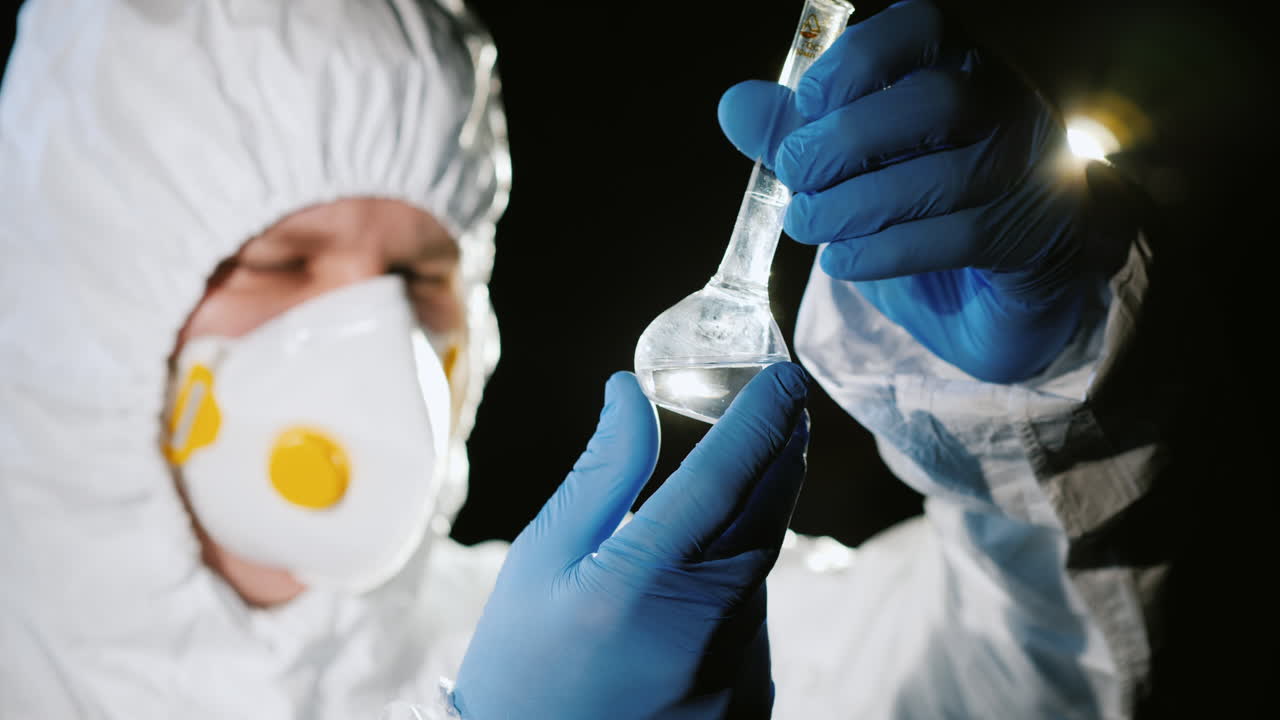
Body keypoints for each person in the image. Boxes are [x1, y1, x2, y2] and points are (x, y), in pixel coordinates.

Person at [0, 0, 1181, 718]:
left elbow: (1034, 678)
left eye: (421, 275)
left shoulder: (609, 652)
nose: (377, 336)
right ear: (92, 297)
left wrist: (1037, 395)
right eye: (281, 262)